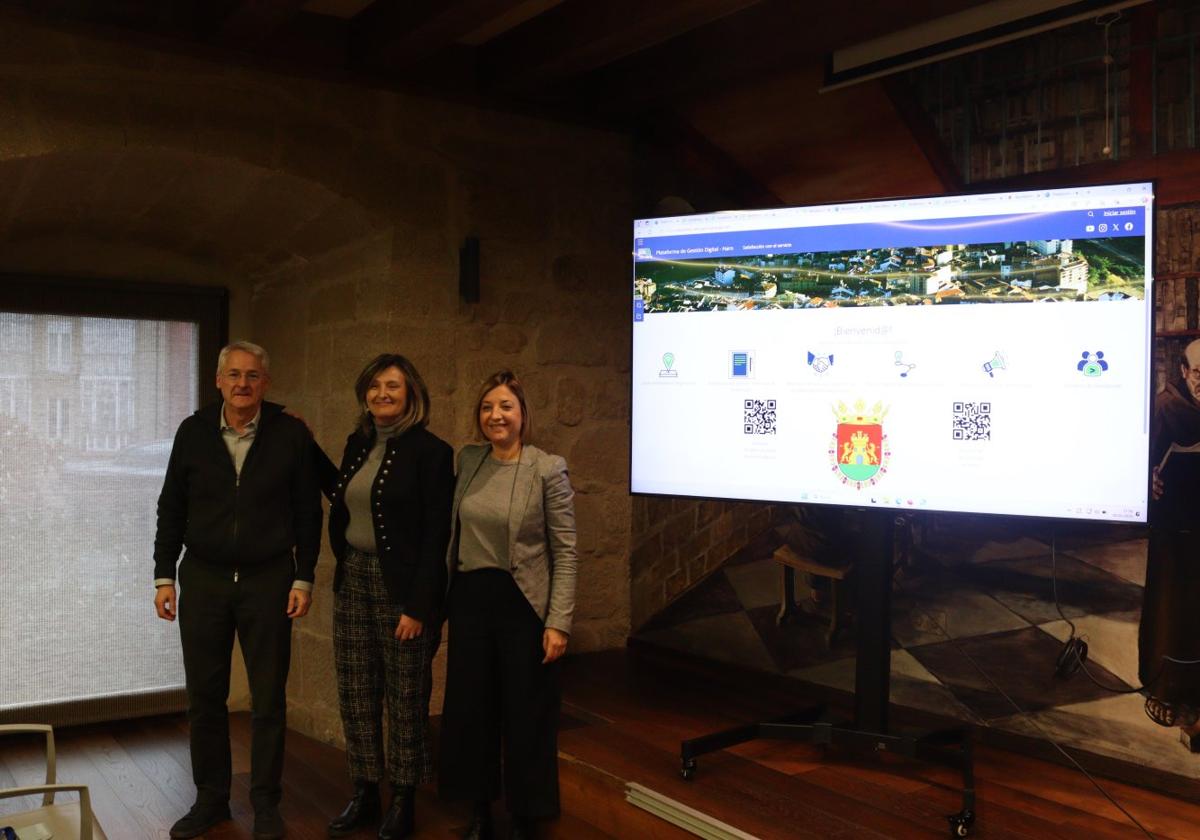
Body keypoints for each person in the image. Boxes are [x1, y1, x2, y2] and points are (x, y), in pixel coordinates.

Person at [154, 341, 321, 840]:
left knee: (269, 699)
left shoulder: (290, 433)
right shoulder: (193, 431)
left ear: (265, 382)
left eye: (253, 375)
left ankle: (266, 804)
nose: (243, 384)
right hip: (202, 578)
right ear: (218, 380)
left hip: (268, 580)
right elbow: (171, 507)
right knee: (205, 697)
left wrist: (304, 575)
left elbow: (309, 513)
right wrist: (164, 575)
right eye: (234, 374)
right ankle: (211, 800)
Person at [318, 354, 454, 839]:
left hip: (403, 591)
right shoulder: (358, 443)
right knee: (356, 693)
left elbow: (438, 536)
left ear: (411, 394)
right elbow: (341, 491)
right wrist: (302, 438)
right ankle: (365, 792)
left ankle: (404, 798)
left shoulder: (432, 452)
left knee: (406, 697)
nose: (382, 395)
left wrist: (420, 607)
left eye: (392, 387)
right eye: (374, 386)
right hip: (354, 579)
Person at [439, 371, 578, 840]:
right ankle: (479, 811)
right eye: (486, 408)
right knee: (470, 710)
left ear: (522, 415)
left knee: (527, 713)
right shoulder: (470, 459)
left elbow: (566, 550)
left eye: (505, 407)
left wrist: (558, 622)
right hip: (471, 599)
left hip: (523, 603)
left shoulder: (546, 467)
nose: (495, 416)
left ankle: (526, 815)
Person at [1141, 338, 1200, 750]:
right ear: (1184, 372)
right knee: (1175, 618)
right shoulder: (1166, 408)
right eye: (1199, 373)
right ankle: (1178, 703)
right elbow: (1144, 463)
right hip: (1175, 537)